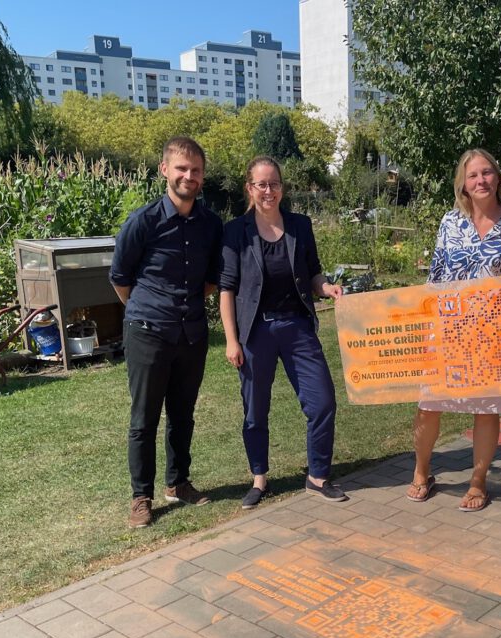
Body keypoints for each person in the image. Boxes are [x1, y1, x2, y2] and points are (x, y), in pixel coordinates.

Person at [407, 148, 501, 512]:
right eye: (473, 176)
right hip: (446, 328)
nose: (481, 180)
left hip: (493, 333)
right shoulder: (451, 222)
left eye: (487, 173)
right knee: (428, 404)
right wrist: (425, 323)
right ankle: (422, 472)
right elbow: (435, 275)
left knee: (486, 409)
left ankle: (478, 481)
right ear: (463, 185)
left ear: (497, 177)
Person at [219, 156, 347, 510]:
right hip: (255, 330)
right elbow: (226, 289)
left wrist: (328, 287)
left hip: (296, 326)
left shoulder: (299, 226)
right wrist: (231, 340)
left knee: (322, 401)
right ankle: (259, 478)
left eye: (274, 183)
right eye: (261, 184)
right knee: (255, 411)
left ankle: (318, 476)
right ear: (250, 189)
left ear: (282, 187)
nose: (268, 191)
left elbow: (314, 273)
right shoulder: (235, 231)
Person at [110, 136, 222, 528]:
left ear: (202, 176)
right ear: (164, 170)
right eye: (181, 169)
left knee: (183, 415)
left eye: (195, 170)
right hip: (148, 332)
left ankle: (178, 482)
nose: (188, 176)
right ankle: (141, 496)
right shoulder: (143, 222)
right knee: (144, 419)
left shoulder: (211, 224)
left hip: (191, 334)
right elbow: (120, 278)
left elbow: (212, 279)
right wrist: (146, 311)